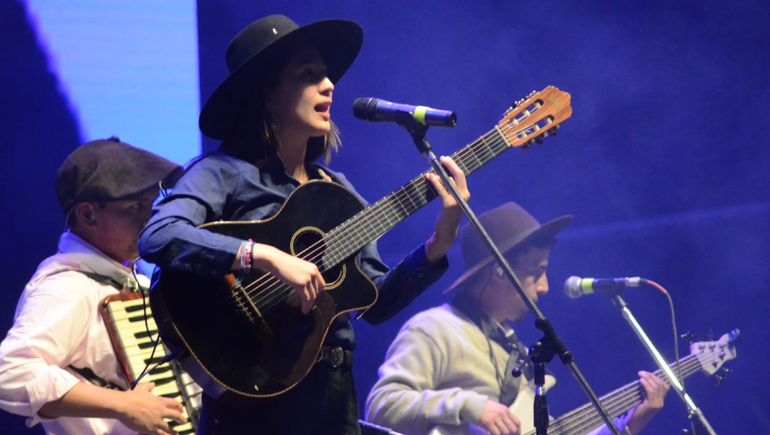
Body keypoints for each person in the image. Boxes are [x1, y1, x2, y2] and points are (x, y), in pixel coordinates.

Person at [137, 14, 470, 435]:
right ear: (268, 95)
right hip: (255, 397)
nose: (328, 85)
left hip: (332, 397)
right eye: (308, 75)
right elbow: (157, 234)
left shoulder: (336, 189)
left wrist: (439, 242)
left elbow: (375, 300)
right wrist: (262, 256)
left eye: (326, 75)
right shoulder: (224, 173)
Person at [365, 202, 670, 435]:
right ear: (498, 272)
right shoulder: (435, 328)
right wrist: (471, 405)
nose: (545, 286)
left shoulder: (518, 354)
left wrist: (630, 424)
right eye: (536, 272)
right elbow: (381, 406)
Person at [0, 137, 186, 435]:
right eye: (136, 206)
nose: (149, 218)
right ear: (88, 214)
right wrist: (123, 404)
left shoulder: (137, 281)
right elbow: (8, 374)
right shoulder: (67, 287)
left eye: (152, 205)